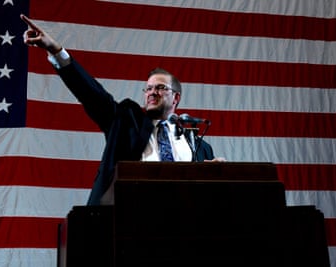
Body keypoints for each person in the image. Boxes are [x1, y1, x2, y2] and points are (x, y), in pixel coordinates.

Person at [20, 14, 225, 205]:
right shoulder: (126, 121)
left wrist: (218, 176)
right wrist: (56, 51)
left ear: (176, 98)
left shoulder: (199, 146)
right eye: (149, 88)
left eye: (161, 88)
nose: (152, 92)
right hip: (128, 221)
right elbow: (92, 95)